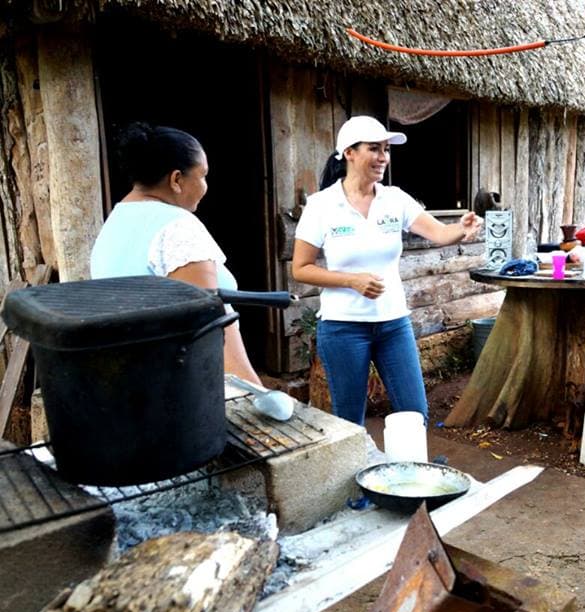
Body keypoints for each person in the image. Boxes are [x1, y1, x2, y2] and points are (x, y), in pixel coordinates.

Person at [291, 116, 482, 427]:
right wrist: (351, 280)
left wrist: (462, 228)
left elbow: (440, 233)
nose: (383, 157)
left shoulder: (395, 199)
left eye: (386, 150)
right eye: (374, 148)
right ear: (349, 153)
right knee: (349, 423)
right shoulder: (321, 206)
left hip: (393, 324)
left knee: (415, 414)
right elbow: (301, 268)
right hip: (343, 327)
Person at [90, 122, 261, 384]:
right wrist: (253, 390)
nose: (205, 186)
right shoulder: (177, 227)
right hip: (182, 386)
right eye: (202, 176)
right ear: (177, 180)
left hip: (133, 379)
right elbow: (210, 327)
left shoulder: (115, 222)